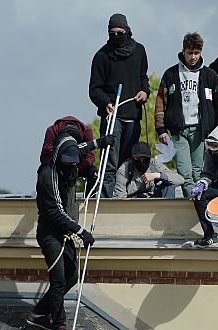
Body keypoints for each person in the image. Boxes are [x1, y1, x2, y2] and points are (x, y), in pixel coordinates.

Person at [28, 125, 110, 330]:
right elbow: (56, 212)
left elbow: (81, 148)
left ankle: (39, 312)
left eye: (73, 164)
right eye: (67, 164)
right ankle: (59, 326)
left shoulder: (70, 152)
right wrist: (80, 231)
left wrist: (100, 143)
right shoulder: (48, 175)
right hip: (50, 234)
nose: (71, 168)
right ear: (58, 157)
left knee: (73, 276)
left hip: (64, 230)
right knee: (59, 281)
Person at [89, 13, 150, 198]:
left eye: (120, 32)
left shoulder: (139, 51)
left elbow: (143, 78)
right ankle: (108, 202)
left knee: (128, 163)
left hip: (133, 116)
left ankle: (125, 197)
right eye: (112, 33)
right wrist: (105, 103)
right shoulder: (101, 56)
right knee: (110, 163)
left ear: (127, 30)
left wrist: (145, 92)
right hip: (112, 118)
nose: (116, 36)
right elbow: (94, 89)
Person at [155, 32, 218, 196]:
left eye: (196, 53)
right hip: (179, 131)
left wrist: (217, 128)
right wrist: (161, 129)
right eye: (190, 52)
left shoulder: (210, 76)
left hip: (201, 130)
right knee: (184, 173)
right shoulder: (170, 74)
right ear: (183, 51)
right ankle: (192, 202)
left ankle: (198, 204)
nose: (193, 57)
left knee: (198, 172)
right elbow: (160, 103)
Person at [114, 142, 184, 198]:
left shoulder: (154, 164)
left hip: (152, 199)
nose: (141, 162)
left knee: (169, 184)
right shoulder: (124, 169)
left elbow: (180, 179)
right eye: (138, 159)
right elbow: (119, 198)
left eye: (145, 159)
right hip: (132, 203)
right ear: (132, 158)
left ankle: (167, 212)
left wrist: (158, 175)